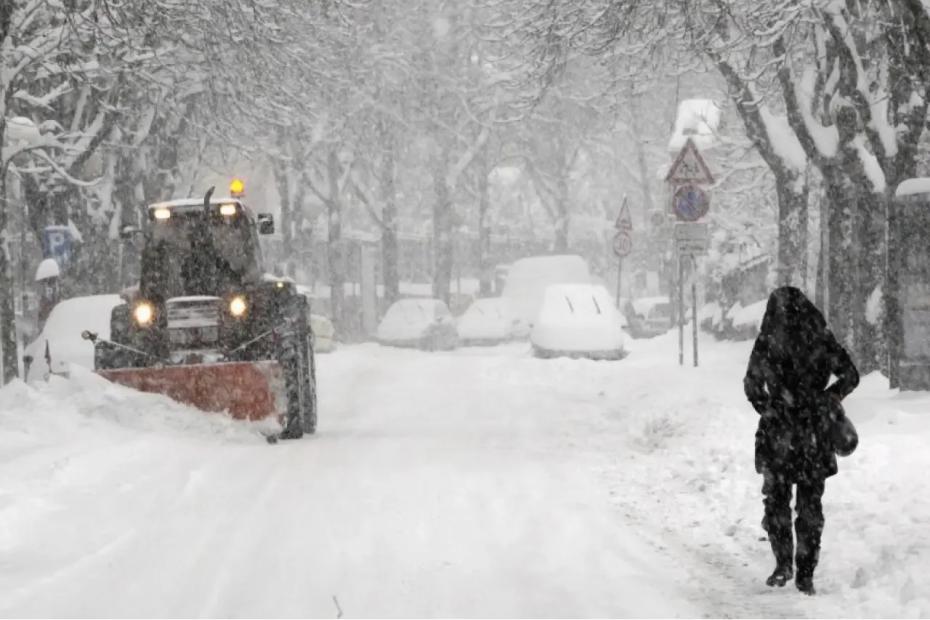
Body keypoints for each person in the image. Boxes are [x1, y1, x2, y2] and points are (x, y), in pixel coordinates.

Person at [743, 286, 859, 595]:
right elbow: (850, 374)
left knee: (777, 501)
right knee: (810, 505)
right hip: (814, 434)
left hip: (779, 433)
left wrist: (770, 408)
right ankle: (805, 573)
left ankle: (783, 564)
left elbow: (752, 384)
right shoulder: (819, 336)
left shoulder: (768, 339)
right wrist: (826, 399)